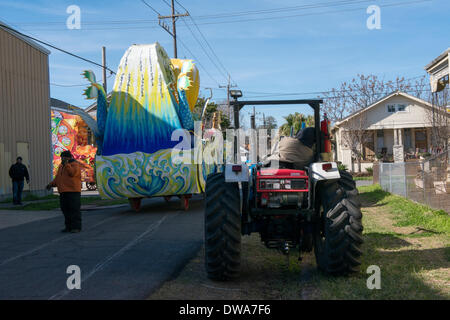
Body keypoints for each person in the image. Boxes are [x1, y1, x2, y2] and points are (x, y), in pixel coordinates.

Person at [46, 151, 82, 233]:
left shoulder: (75, 165)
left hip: (73, 191)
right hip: (63, 191)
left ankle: (76, 227)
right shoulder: (61, 166)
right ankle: (68, 227)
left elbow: (72, 173)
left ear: (68, 157)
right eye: (61, 157)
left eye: (63, 157)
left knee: (74, 210)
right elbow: (58, 178)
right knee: (65, 210)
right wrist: (51, 184)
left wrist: (67, 164)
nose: (62, 158)